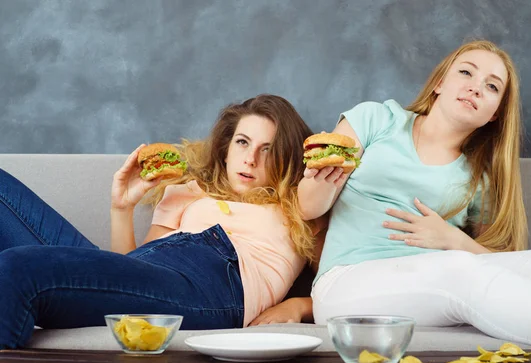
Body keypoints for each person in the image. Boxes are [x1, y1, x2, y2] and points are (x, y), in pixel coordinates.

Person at [269, 40, 531, 348]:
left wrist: (452, 239)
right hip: (345, 285)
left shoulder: (478, 178)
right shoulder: (376, 119)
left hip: (431, 285)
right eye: (466, 72)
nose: (476, 86)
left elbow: (496, 264)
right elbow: (308, 208)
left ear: (494, 113)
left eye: (492, 86)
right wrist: (322, 180)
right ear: (440, 82)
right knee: (457, 270)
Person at [0, 94, 321, 349]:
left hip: (213, 285)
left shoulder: (302, 204)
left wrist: (298, 306)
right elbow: (130, 274)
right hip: (162, 272)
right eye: (243, 142)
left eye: (268, 149)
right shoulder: (189, 191)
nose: (251, 159)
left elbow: (334, 281)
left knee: (19, 268)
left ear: (286, 159)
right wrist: (121, 207)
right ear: (225, 149)